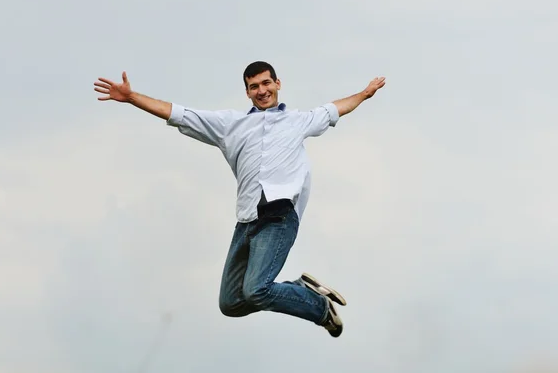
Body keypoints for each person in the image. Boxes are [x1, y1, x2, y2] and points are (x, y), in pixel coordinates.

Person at [94, 61, 385, 338]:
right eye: (254, 86)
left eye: (266, 83)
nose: (262, 90)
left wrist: (365, 94)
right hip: (246, 221)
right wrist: (132, 97)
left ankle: (319, 308)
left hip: (280, 217)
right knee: (230, 303)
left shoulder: (298, 121)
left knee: (257, 290)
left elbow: (336, 109)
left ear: (277, 83)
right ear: (247, 92)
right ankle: (300, 289)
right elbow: (178, 113)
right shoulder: (228, 125)